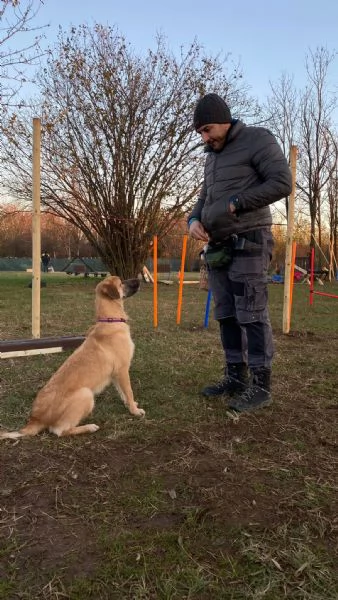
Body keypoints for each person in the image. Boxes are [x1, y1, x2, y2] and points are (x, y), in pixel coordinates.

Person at [188, 93, 292, 412]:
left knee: (252, 311)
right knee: (226, 313)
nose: (205, 138)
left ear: (224, 120)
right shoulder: (212, 155)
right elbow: (205, 196)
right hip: (217, 245)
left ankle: (261, 386)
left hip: (250, 236)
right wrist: (193, 219)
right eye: (201, 133)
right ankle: (236, 376)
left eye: (207, 130)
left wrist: (238, 202)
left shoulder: (257, 139)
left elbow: (282, 182)